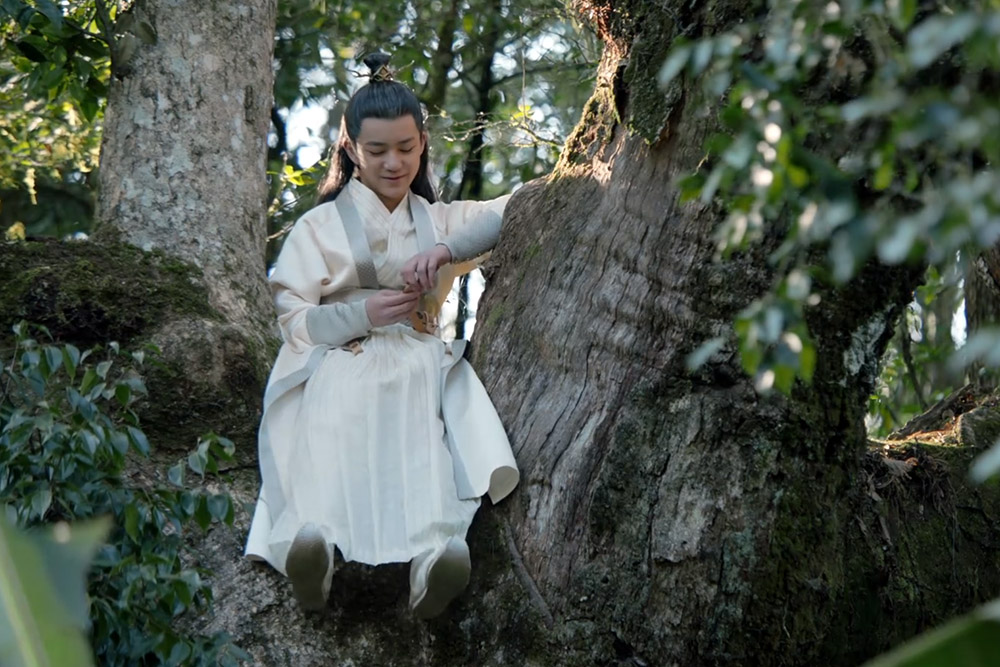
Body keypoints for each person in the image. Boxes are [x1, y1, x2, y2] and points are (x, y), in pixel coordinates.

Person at [244, 53, 519, 618]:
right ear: (350, 149)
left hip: (416, 354)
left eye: (406, 147)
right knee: (336, 413)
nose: (393, 163)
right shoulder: (318, 227)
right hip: (337, 356)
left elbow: (512, 210)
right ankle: (312, 548)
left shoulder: (438, 220)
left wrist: (445, 250)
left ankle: (432, 557)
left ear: (422, 142)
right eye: (376, 151)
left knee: (424, 433)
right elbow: (294, 318)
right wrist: (362, 313)